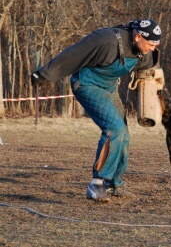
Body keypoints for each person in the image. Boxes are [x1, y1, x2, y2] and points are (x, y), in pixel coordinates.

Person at [31, 19, 162, 202]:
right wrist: (43, 74)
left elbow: (148, 65)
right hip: (86, 85)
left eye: (156, 45)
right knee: (113, 128)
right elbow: (72, 55)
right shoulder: (106, 40)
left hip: (109, 88)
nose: (152, 49)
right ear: (138, 36)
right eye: (150, 44)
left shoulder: (145, 51)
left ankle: (113, 184)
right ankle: (96, 184)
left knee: (123, 135)